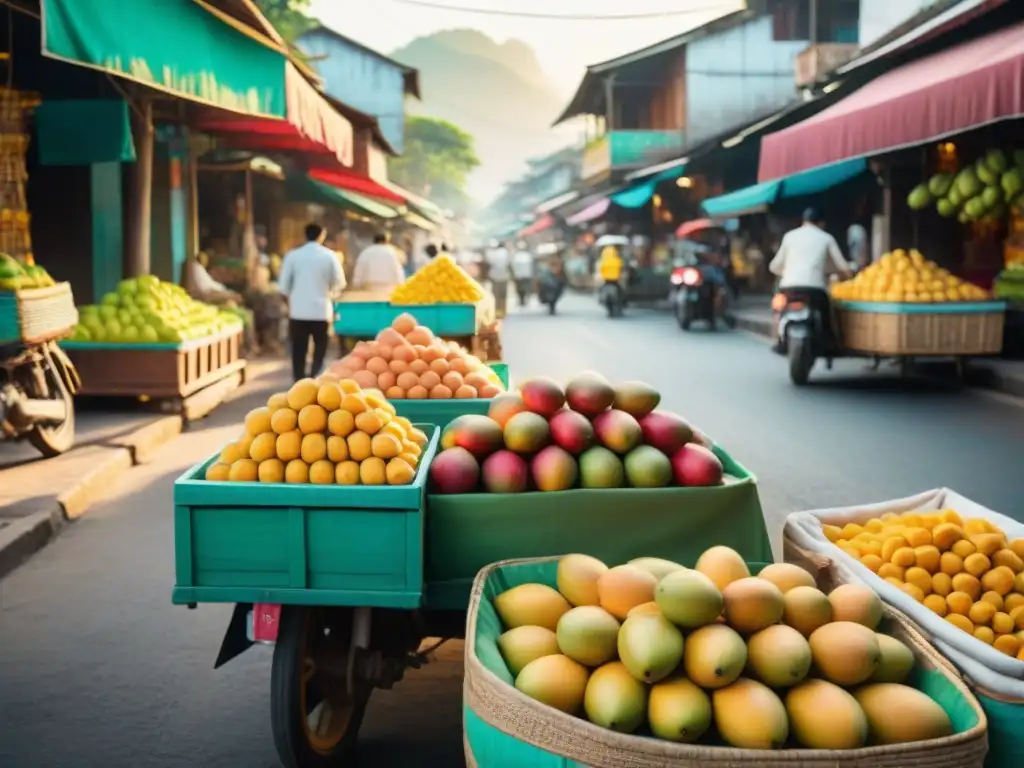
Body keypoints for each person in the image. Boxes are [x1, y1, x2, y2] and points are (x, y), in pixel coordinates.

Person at [769, 208, 853, 345]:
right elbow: (842, 266)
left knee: (779, 308)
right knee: (827, 312)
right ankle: (829, 342)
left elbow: (774, 266)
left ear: (803, 221)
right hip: (815, 290)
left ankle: (778, 339)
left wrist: (787, 272)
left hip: (789, 287)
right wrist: (849, 273)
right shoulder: (826, 238)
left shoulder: (789, 236)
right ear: (821, 223)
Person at [278, 222, 346, 382]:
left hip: (298, 311)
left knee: (298, 348)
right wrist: (329, 292)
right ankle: (316, 376)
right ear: (321, 236)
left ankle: (299, 379)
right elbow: (340, 283)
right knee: (320, 346)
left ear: (304, 235)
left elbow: (283, 287)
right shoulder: (330, 256)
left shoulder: (293, 256)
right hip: (321, 310)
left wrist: (290, 305)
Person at [486, 241, 510, 317]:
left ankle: (496, 311)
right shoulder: (506, 253)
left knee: (496, 295)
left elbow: (488, 264)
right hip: (504, 276)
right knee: (503, 295)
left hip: (494, 276)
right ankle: (503, 310)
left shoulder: (492, 253)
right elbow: (509, 264)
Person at [511, 242, 535, 307]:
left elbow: (531, 266)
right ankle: (521, 300)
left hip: (525, 275)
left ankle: (525, 300)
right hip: (520, 275)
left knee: (525, 288)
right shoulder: (516, 256)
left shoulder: (528, 255)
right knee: (520, 289)